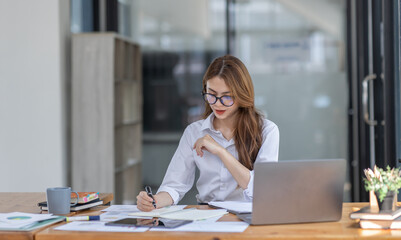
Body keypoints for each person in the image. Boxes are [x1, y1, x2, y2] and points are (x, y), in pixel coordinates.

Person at [136, 55, 279, 211]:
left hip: (248, 216)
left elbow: (262, 189)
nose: (217, 103)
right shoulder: (194, 132)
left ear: (242, 95)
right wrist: (154, 201)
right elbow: (175, 186)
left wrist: (221, 152)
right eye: (211, 94)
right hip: (206, 215)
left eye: (226, 96)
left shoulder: (267, 131)